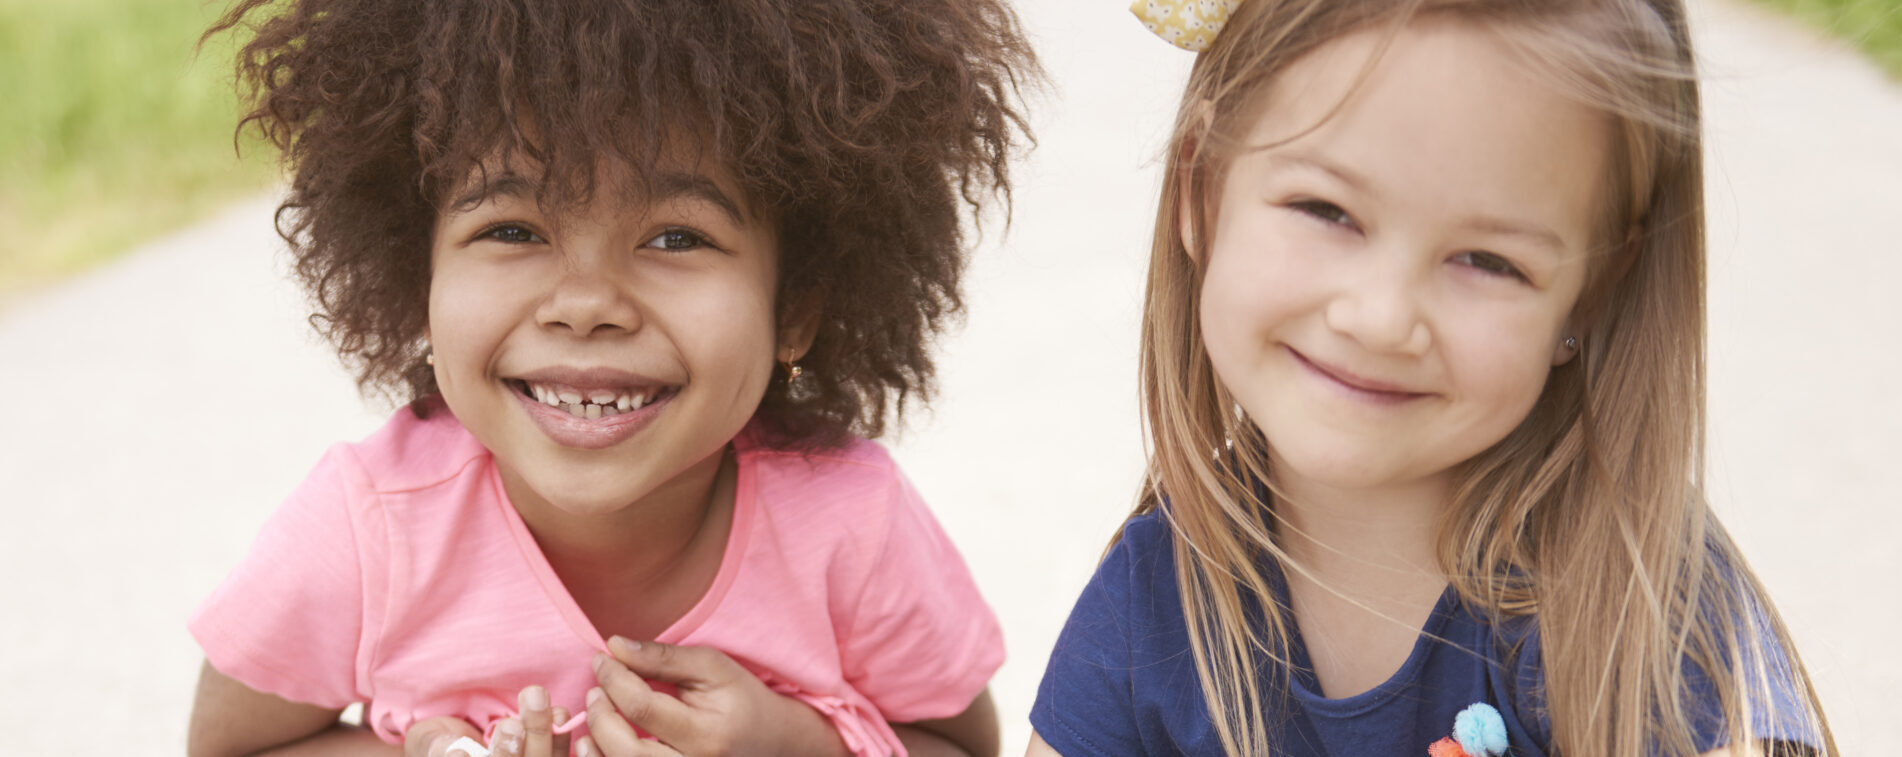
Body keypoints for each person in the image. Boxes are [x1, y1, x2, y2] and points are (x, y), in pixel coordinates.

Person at [184, 1, 1038, 756]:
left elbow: (964, 743)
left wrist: (792, 744)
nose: (586, 304)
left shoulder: (854, 526)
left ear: (796, 310)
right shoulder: (371, 528)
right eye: (514, 230)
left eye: (676, 238)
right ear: (420, 278)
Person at [1028, 0, 1836, 755]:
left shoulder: (1636, 615)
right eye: (1326, 209)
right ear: (1203, 191)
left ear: (1590, 297)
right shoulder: (1153, 605)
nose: (1382, 318)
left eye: (1487, 260)